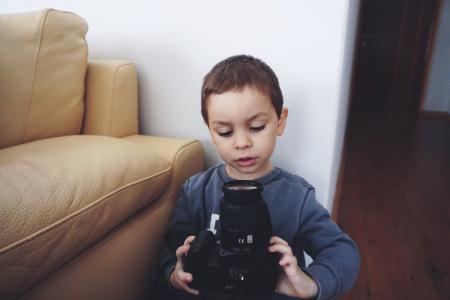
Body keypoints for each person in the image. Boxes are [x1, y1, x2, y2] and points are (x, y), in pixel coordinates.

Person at [157, 55, 360, 300]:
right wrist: (174, 274)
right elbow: (170, 250)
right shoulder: (195, 191)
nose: (242, 143)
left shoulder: (296, 196)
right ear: (210, 130)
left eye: (256, 128)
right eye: (225, 132)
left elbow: (342, 251)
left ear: (280, 121)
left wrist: (309, 282)